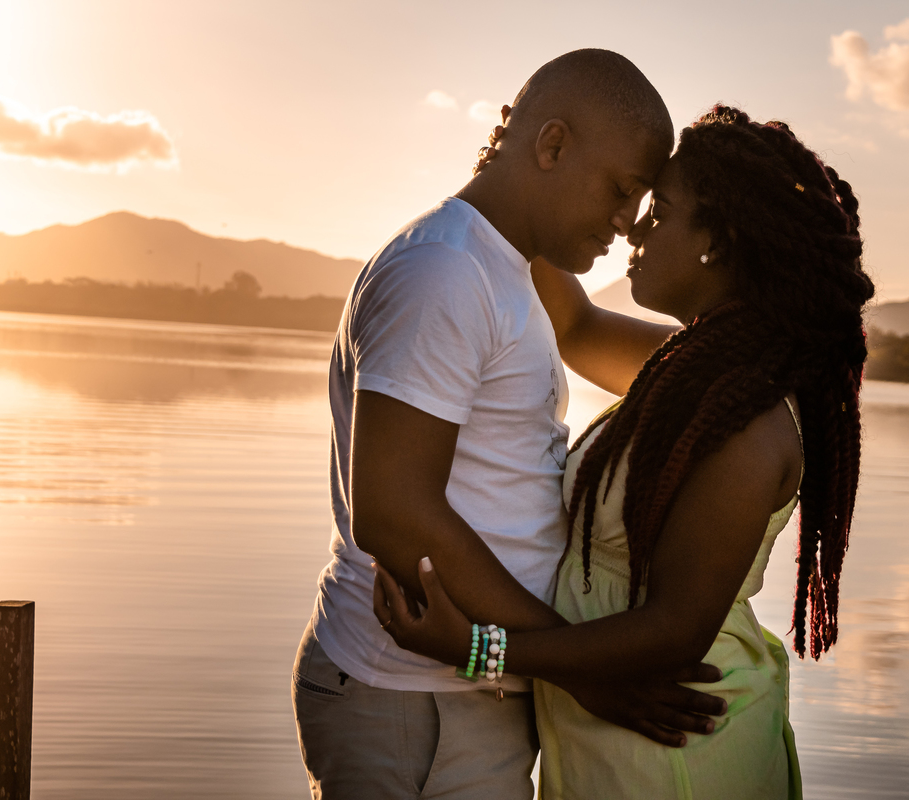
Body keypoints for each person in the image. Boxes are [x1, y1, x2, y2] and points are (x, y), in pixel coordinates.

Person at [373, 105, 875, 799]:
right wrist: (518, 167)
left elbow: (672, 630)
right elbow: (574, 325)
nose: (632, 226)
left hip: (677, 751)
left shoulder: (748, 424)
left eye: (660, 211)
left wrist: (479, 648)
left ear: (718, 243)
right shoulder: (690, 370)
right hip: (610, 737)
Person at [291, 49, 729, 800]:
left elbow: (590, 335)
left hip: (462, 695)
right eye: (623, 191)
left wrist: (763, 353)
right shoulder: (444, 272)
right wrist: (575, 666)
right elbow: (396, 515)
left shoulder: (512, 269)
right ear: (552, 146)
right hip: (409, 701)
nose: (629, 224)